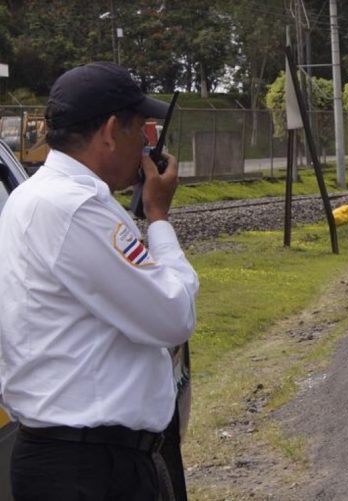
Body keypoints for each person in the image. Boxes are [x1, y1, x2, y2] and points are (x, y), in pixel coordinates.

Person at [0, 62, 199, 500]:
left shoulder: (35, 197)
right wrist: (160, 220)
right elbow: (173, 315)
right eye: (140, 131)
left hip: (73, 459)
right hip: (89, 468)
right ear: (111, 130)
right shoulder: (74, 209)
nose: (147, 146)